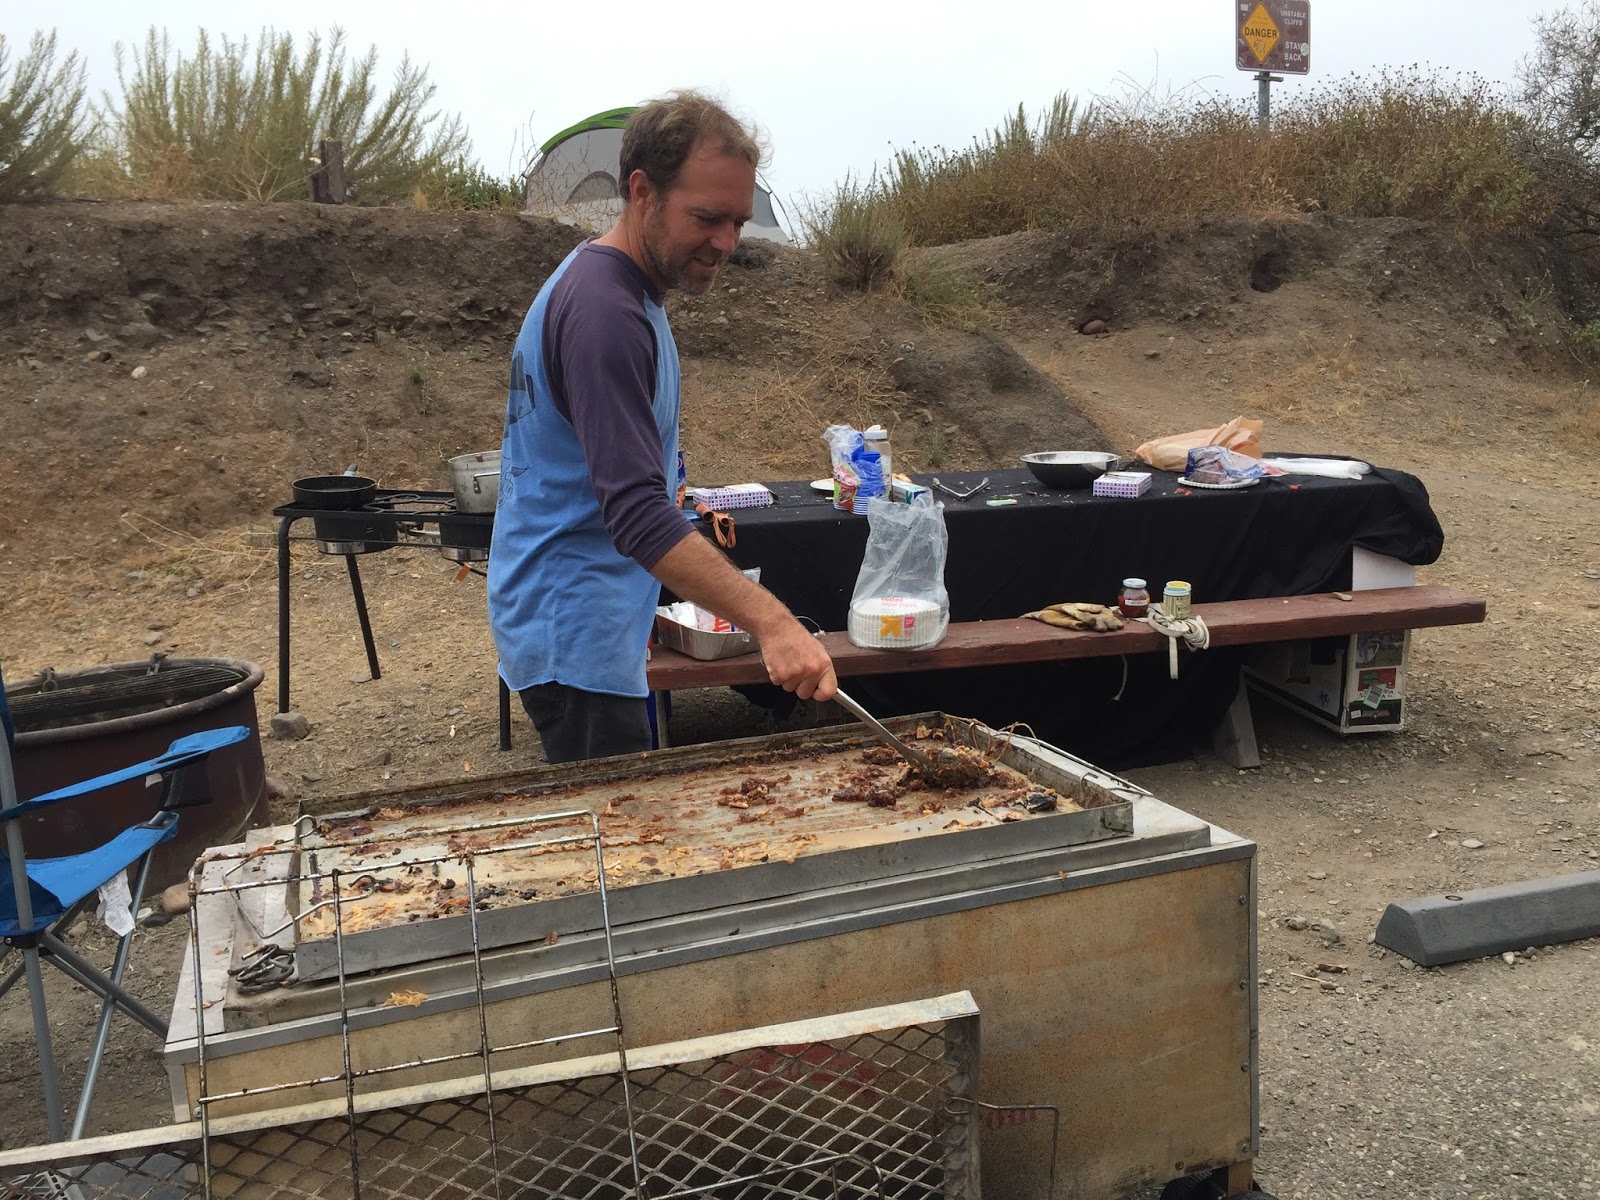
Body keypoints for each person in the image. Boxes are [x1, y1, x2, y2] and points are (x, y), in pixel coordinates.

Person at [488, 91, 836, 764]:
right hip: (575, 635)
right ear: (642, 191)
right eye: (707, 218)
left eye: (737, 221)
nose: (726, 243)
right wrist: (773, 623)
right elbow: (636, 515)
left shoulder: (626, 290)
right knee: (617, 828)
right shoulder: (605, 313)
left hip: (585, 623)